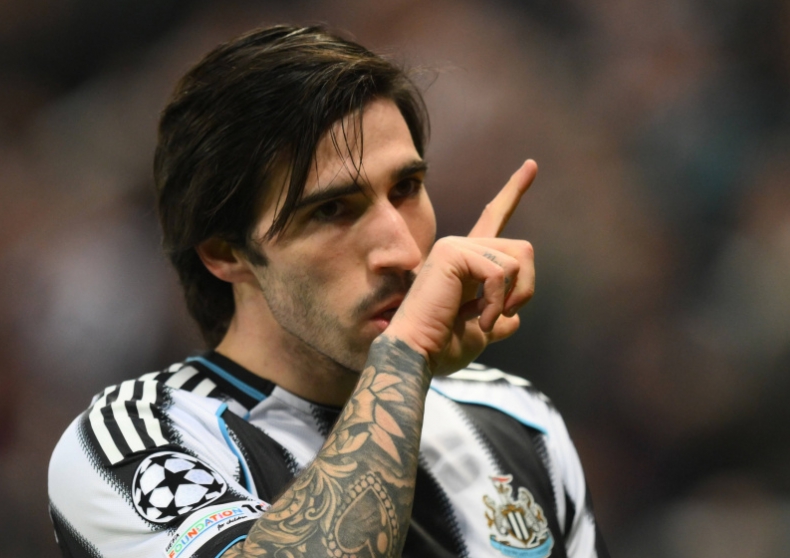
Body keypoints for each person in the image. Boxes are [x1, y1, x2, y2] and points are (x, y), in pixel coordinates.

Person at [48, 25, 608, 558]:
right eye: (332, 210)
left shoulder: (518, 421)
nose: (404, 251)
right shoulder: (138, 442)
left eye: (407, 188)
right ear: (226, 253)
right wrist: (407, 352)